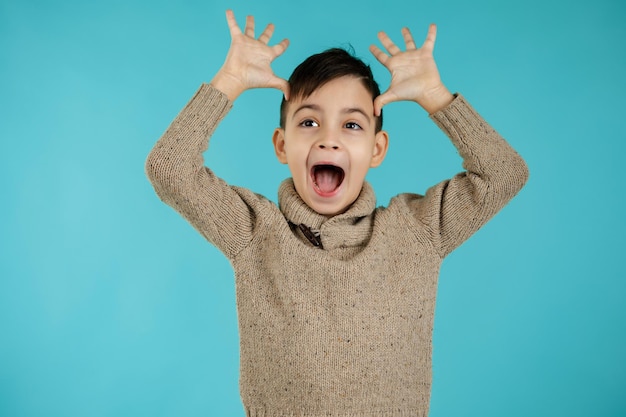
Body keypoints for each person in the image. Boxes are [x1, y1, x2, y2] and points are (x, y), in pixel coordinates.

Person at [146, 9, 529, 417]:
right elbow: (170, 167)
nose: (329, 139)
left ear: (377, 149)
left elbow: (503, 173)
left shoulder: (416, 229)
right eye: (309, 121)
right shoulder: (254, 230)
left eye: (351, 126)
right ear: (281, 144)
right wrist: (230, 82)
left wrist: (435, 96)